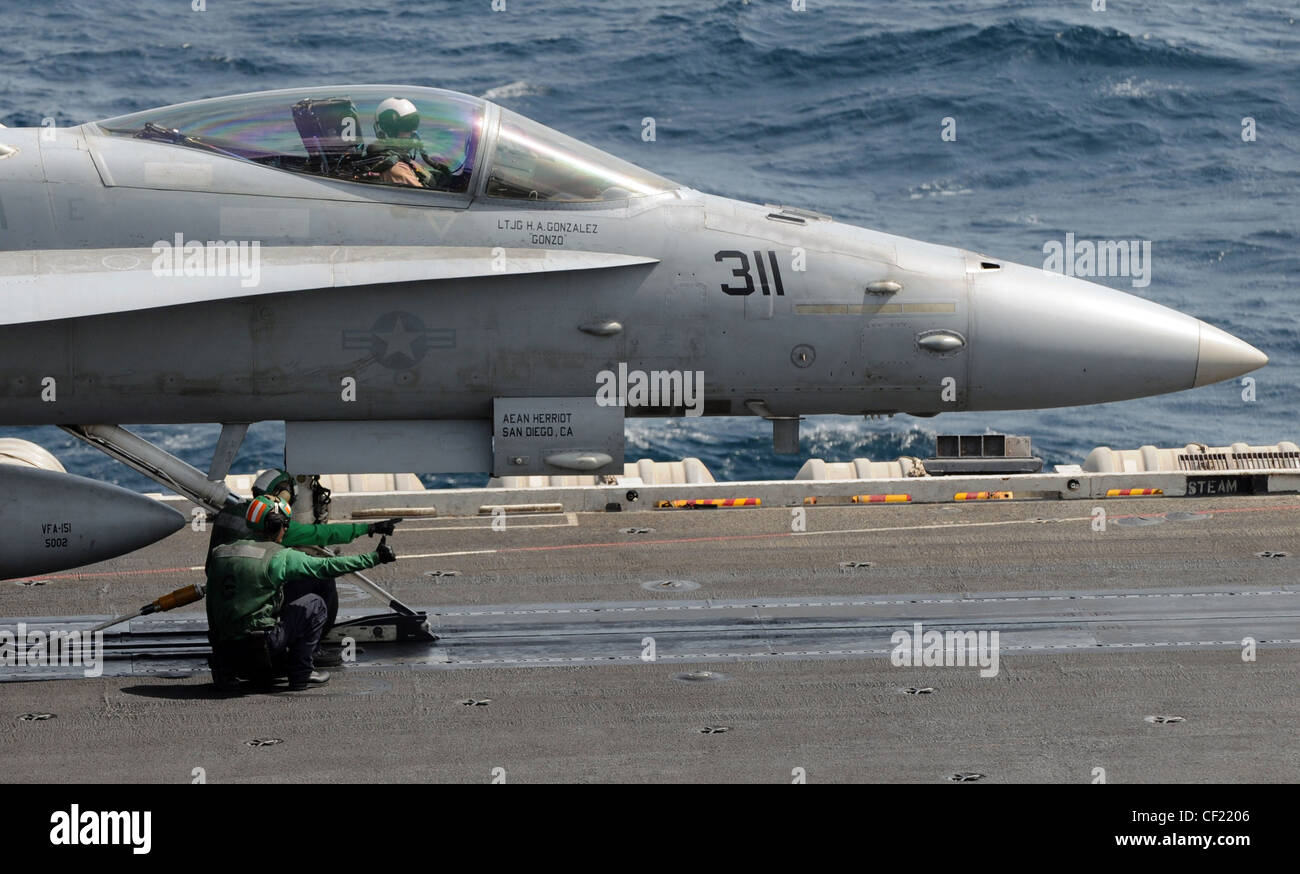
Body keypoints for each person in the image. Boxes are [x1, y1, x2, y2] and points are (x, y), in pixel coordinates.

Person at [206, 495, 397, 691]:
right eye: (285, 524)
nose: (287, 529)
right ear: (275, 525)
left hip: (227, 655)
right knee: (314, 604)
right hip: (261, 653)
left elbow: (211, 607)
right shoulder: (279, 556)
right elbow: (327, 566)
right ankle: (302, 673)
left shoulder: (220, 553)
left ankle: (225, 673)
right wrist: (374, 557)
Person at [206, 469, 401, 645]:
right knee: (320, 584)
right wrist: (371, 539)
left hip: (223, 605)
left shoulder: (228, 517)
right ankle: (305, 663)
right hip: (258, 622)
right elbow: (324, 540)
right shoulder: (276, 549)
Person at [366, 96, 455, 189]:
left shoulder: (403, 159)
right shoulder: (396, 170)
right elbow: (426, 199)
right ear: (389, 129)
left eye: (414, 124)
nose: (413, 131)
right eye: (407, 126)